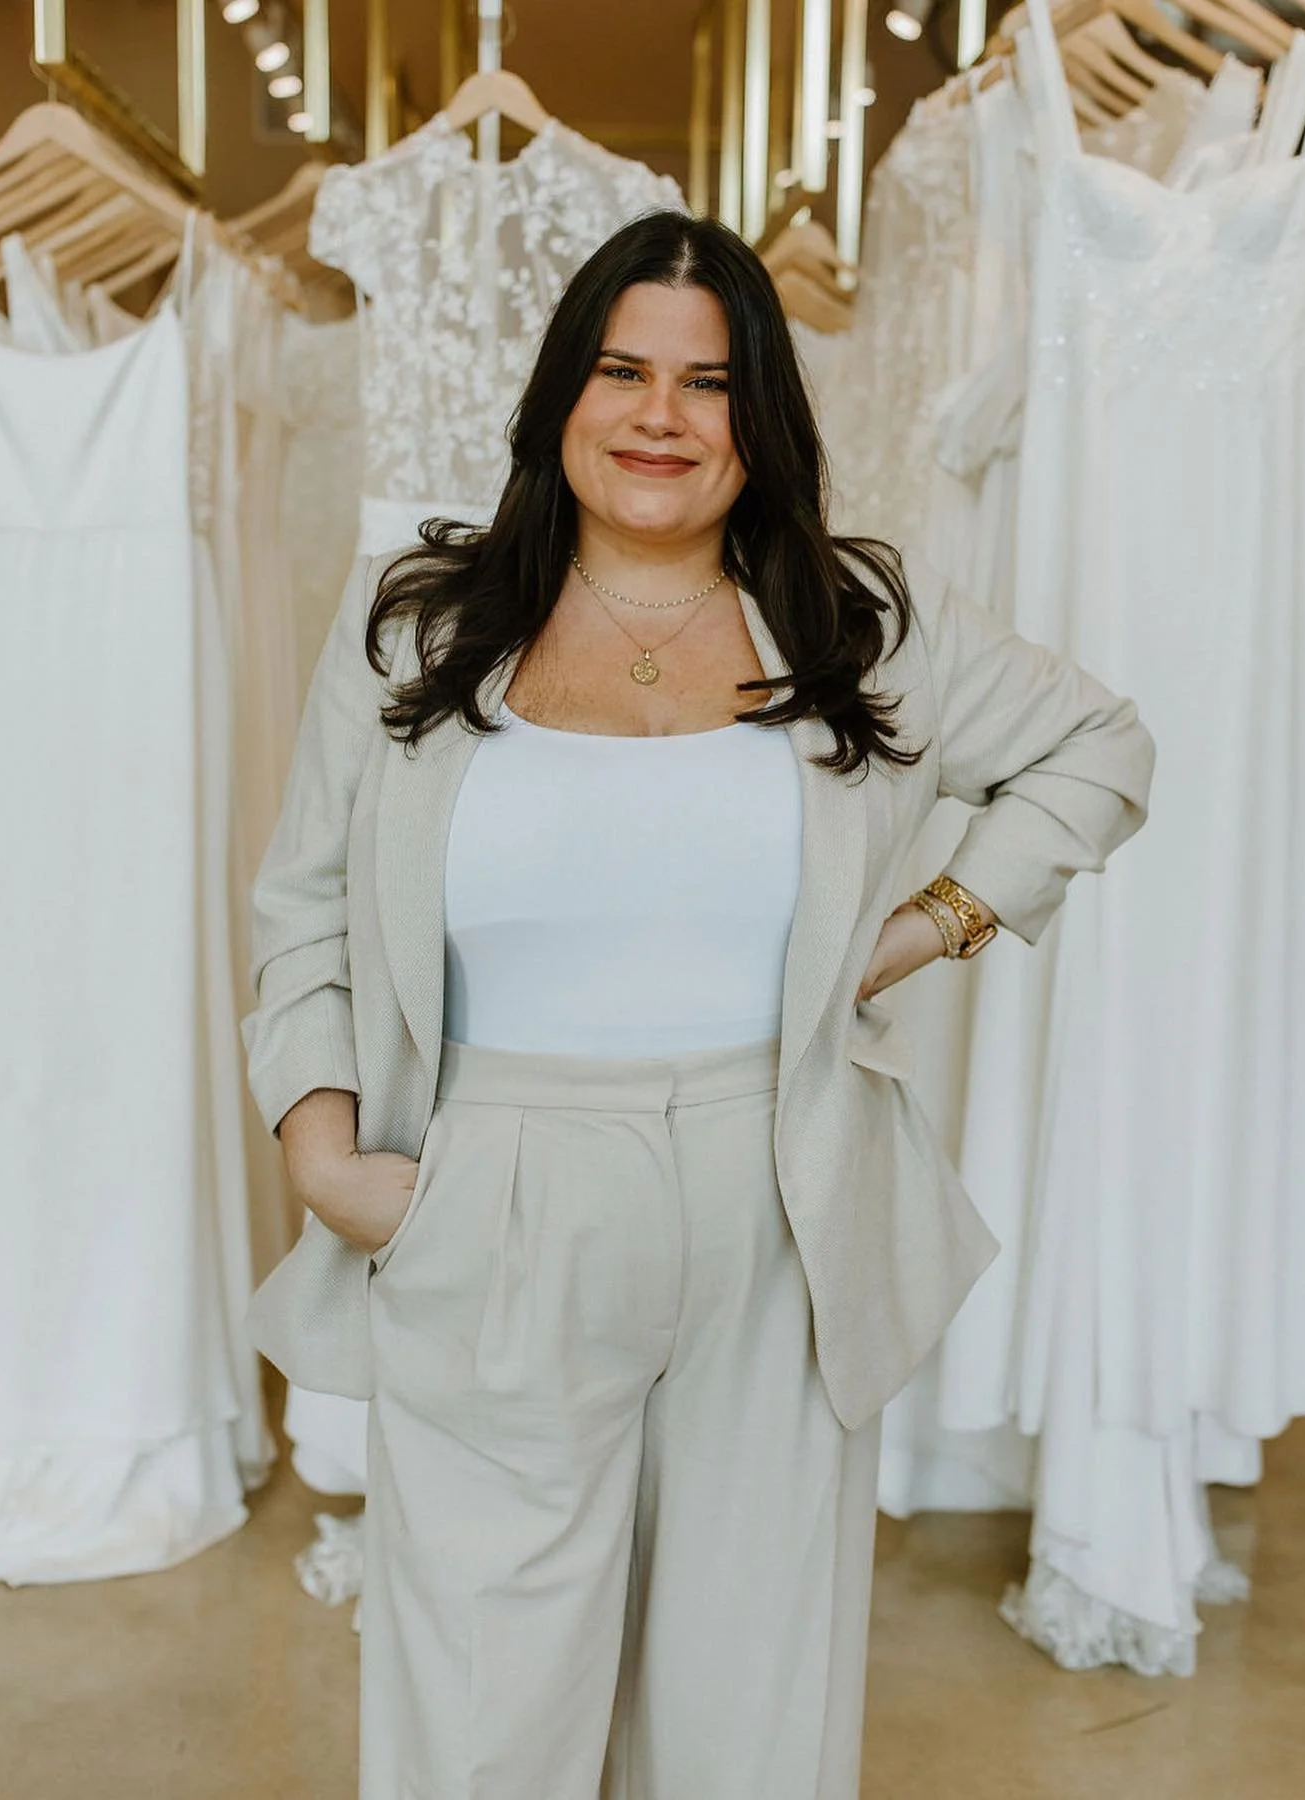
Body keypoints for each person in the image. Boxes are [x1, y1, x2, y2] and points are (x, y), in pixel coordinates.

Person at [242, 210, 1154, 1800]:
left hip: (780, 1191)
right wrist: (324, 1156)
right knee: (484, 1712)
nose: (660, 415)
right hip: (492, 1191)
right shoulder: (418, 621)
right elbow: (304, 905)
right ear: (562, 397)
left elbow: (1101, 747)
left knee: (752, 1714)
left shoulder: (859, 621)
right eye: (622, 371)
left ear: (763, 417)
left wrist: (923, 927)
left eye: (709, 382)